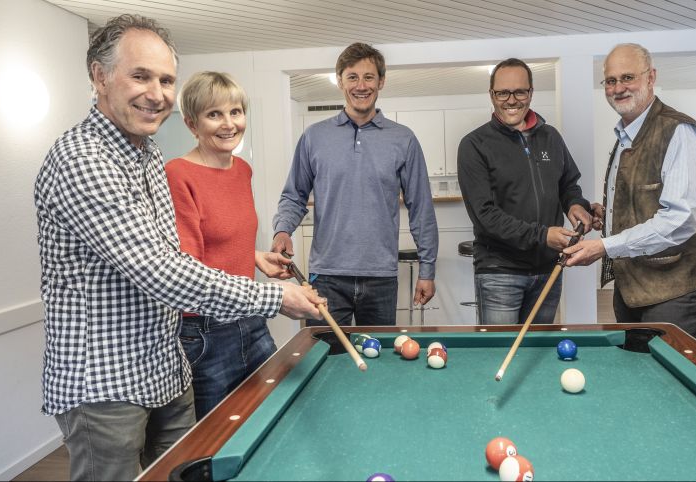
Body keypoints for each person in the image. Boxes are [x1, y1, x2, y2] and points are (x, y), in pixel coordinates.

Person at [33, 15, 322, 481]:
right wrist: (276, 296)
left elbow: (171, 250)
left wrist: (251, 261)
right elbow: (162, 272)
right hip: (106, 385)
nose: (157, 92)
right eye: (140, 75)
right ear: (98, 76)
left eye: (166, 79)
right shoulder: (82, 159)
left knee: (193, 474)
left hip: (165, 368)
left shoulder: (145, 155)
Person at [563, 43, 696, 345]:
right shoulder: (625, 134)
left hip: (682, 289)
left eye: (628, 77)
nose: (618, 88)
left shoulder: (679, 131)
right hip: (635, 288)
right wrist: (610, 215)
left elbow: (680, 220)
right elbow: (643, 197)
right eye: (611, 81)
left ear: (651, 77)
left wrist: (603, 246)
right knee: (639, 371)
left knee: (674, 384)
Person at [272, 42, 439, 327]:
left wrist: (427, 269)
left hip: (381, 278)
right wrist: (283, 229)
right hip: (325, 276)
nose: (361, 85)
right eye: (352, 77)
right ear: (339, 81)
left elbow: (421, 208)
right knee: (323, 356)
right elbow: (294, 195)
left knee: (378, 362)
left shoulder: (404, 139)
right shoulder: (314, 137)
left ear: (381, 81)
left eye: (369, 77)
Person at [165, 71, 290, 420]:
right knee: (215, 438)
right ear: (191, 123)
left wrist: (253, 257)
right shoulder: (177, 174)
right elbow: (185, 266)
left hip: (250, 319)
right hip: (205, 331)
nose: (229, 123)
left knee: (271, 417)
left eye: (236, 112)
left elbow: (219, 237)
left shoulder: (242, 170)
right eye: (214, 114)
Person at [457, 58, 593, 325]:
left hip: (548, 271)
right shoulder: (474, 145)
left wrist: (575, 205)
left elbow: (568, 184)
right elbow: (485, 215)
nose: (511, 100)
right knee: (502, 354)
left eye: (520, 91)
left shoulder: (551, 137)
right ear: (491, 95)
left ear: (530, 93)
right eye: (502, 92)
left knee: (536, 355)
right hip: (500, 273)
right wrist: (542, 236)